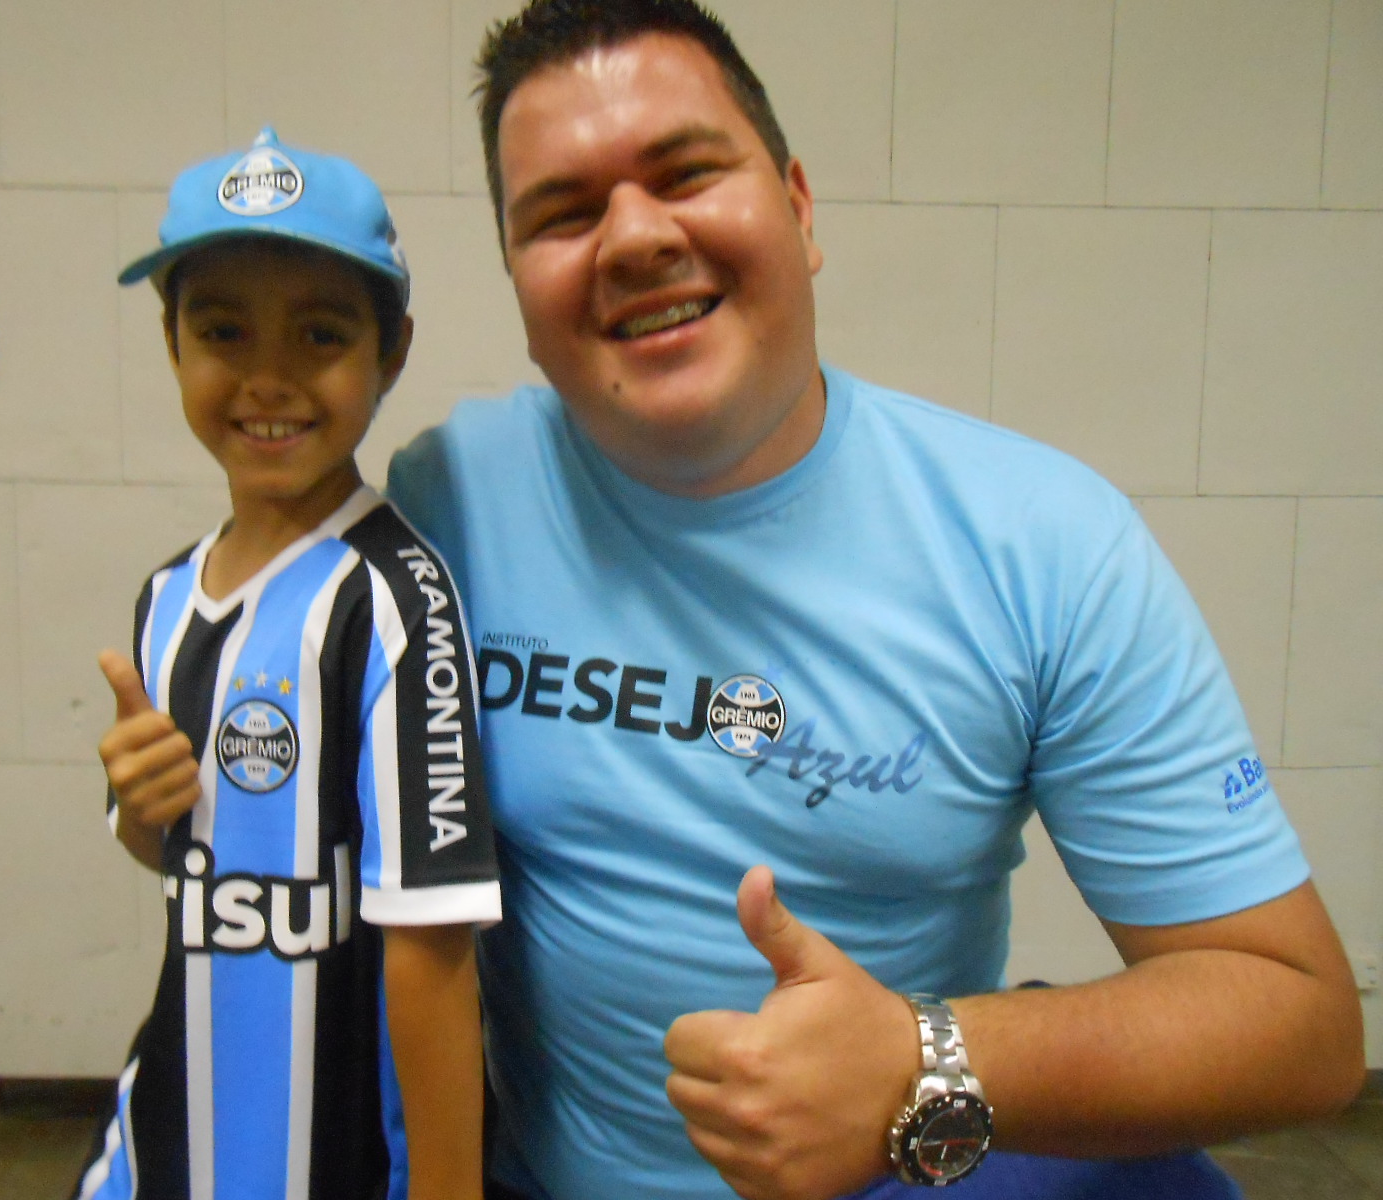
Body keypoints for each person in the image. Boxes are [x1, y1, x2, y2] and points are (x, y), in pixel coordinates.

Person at [385, 3, 1366, 1199]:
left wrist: (925, 1057)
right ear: (517, 283)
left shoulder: (1040, 543)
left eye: (685, 172)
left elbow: (1300, 1020)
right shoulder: (445, 505)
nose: (634, 236)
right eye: (563, 212)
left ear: (798, 210)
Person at [76, 129, 501, 1200]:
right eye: (222, 329)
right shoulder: (167, 598)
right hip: (166, 1140)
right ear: (172, 344)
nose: (267, 377)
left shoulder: (396, 599)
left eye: (318, 334)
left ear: (390, 350)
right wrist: (139, 808)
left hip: (331, 1163)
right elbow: (191, 867)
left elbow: (434, 949)